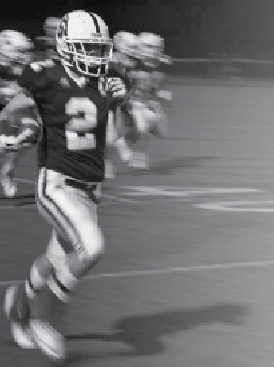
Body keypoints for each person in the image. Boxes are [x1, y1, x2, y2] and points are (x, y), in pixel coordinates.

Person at [2, 9, 126, 362]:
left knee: (57, 259)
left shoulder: (108, 79)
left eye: (99, 48)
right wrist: (26, 126)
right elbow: (16, 108)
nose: (96, 56)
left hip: (90, 188)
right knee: (91, 246)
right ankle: (46, 317)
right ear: (66, 47)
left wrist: (120, 100)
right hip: (56, 183)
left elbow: (108, 111)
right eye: (87, 47)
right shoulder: (44, 74)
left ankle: (19, 304)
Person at [0, 29, 35, 196]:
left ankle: (8, 170)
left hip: (10, 112)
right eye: (20, 52)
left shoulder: (25, 70)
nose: (25, 56)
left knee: (30, 131)